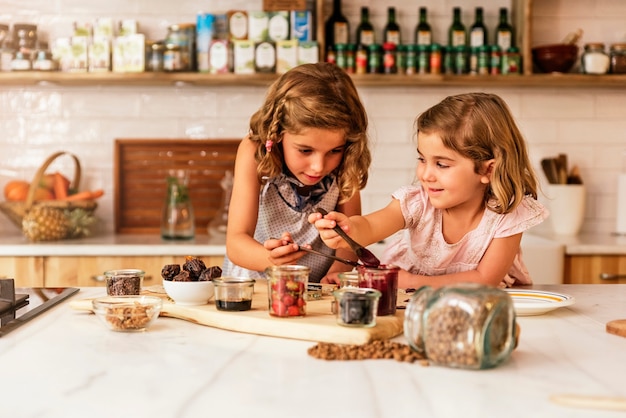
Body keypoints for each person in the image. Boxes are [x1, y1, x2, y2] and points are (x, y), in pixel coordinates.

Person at [310, 92, 548, 289]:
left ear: (488, 170)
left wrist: (412, 281)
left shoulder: (507, 215)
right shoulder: (417, 203)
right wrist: (348, 229)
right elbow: (371, 227)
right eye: (422, 159)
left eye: (442, 164)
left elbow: (484, 280)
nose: (425, 174)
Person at [222, 62, 372, 283]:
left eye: (334, 150)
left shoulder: (346, 161)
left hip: (316, 292)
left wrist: (335, 274)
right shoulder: (256, 152)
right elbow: (236, 243)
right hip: (255, 288)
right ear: (279, 133)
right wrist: (271, 258)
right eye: (305, 150)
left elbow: (349, 240)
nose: (318, 166)